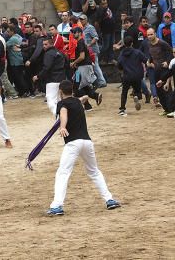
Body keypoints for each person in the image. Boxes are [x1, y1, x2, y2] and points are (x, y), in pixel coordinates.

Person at [46, 81, 121, 216]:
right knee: (94, 172)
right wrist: (84, 97)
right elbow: (78, 100)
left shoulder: (62, 104)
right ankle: (109, 199)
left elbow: (63, 113)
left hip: (73, 143)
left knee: (63, 173)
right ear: (72, 90)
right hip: (87, 142)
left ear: (60, 92)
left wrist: (62, 127)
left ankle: (57, 205)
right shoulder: (77, 102)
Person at [115, 35, 147, 116]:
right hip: (137, 75)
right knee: (138, 91)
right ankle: (136, 96)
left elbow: (119, 65)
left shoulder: (122, 54)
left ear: (124, 44)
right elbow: (145, 60)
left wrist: (123, 69)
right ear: (132, 43)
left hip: (127, 76)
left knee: (124, 92)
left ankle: (122, 108)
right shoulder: (137, 52)